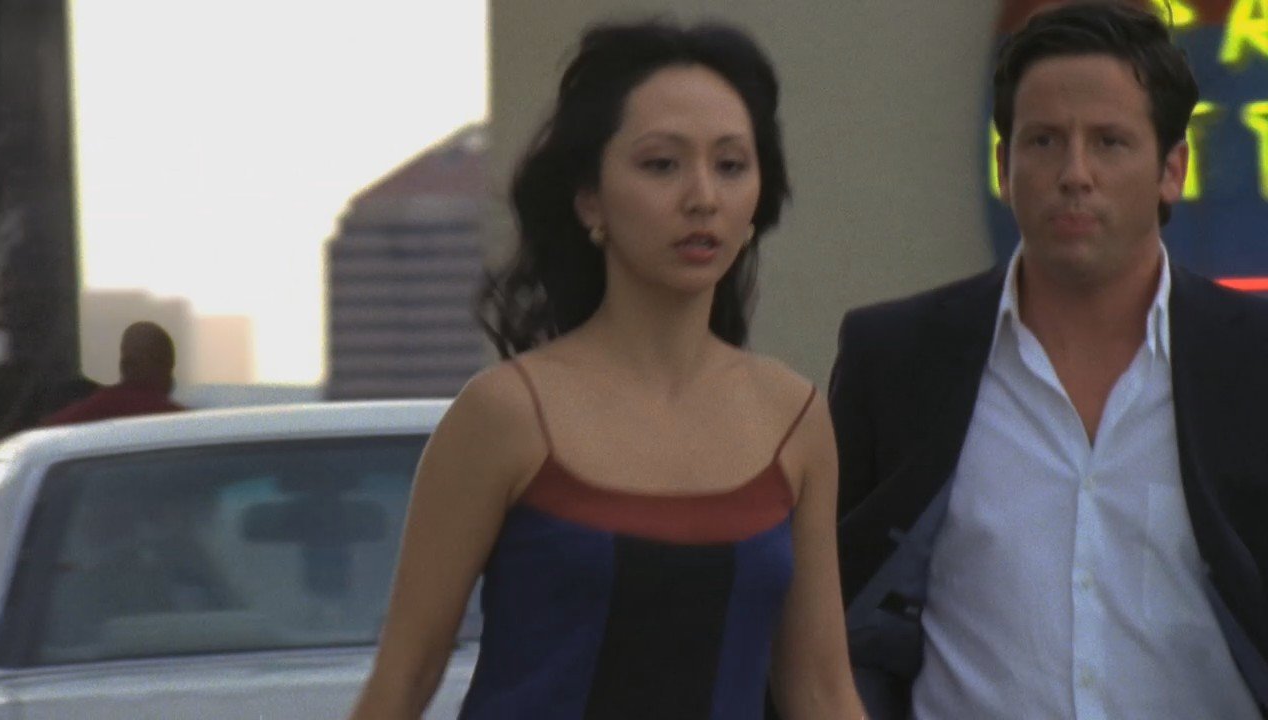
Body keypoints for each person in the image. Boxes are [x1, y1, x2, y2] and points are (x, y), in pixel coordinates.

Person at [351, 19, 867, 720]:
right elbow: (404, 680)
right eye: (661, 165)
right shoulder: (506, 414)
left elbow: (821, 691)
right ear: (589, 198)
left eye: (730, 165)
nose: (702, 197)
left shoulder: (792, 417)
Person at [827, 2, 1268, 719]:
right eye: (1043, 141)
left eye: (1110, 142)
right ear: (1004, 167)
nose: (1075, 173)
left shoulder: (1251, 361)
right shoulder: (897, 360)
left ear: (1172, 169)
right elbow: (831, 621)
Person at [41, 321, 185, 426]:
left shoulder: (85, 413)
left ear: (123, 364)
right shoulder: (177, 422)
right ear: (163, 364)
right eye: (169, 365)